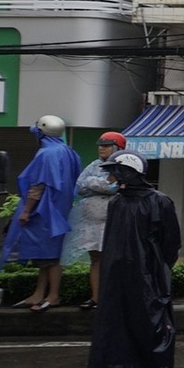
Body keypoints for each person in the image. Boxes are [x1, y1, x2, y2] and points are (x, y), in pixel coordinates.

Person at [88, 152, 184, 368]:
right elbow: (110, 241)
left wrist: (160, 269)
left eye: (115, 172)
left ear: (128, 172)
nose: (110, 177)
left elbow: (171, 243)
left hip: (150, 273)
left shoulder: (160, 201)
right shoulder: (117, 203)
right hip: (117, 274)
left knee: (157, 323)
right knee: (119, 324)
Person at [3, 115, 84, 310]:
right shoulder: (68, 152)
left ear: (41, 132)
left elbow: (37, 186)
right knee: (46, 256)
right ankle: (39, 294)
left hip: (44, 212)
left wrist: (26, 211)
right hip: (61, 210)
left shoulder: (45, 154)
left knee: (50, 257)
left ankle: (53, 295)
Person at [65, 131, 124, 311]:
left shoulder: (123, 165)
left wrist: (95, 183)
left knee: (115, 260)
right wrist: (99, 183)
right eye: (100, 145)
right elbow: (80, 186)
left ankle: (115, 298)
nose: (101, 148)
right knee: (95, 259)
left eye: (106, 145)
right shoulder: (94, 165)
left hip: (114, 221)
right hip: (91, 223)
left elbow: (114, 186)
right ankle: (96, 297)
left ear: (117, 147)